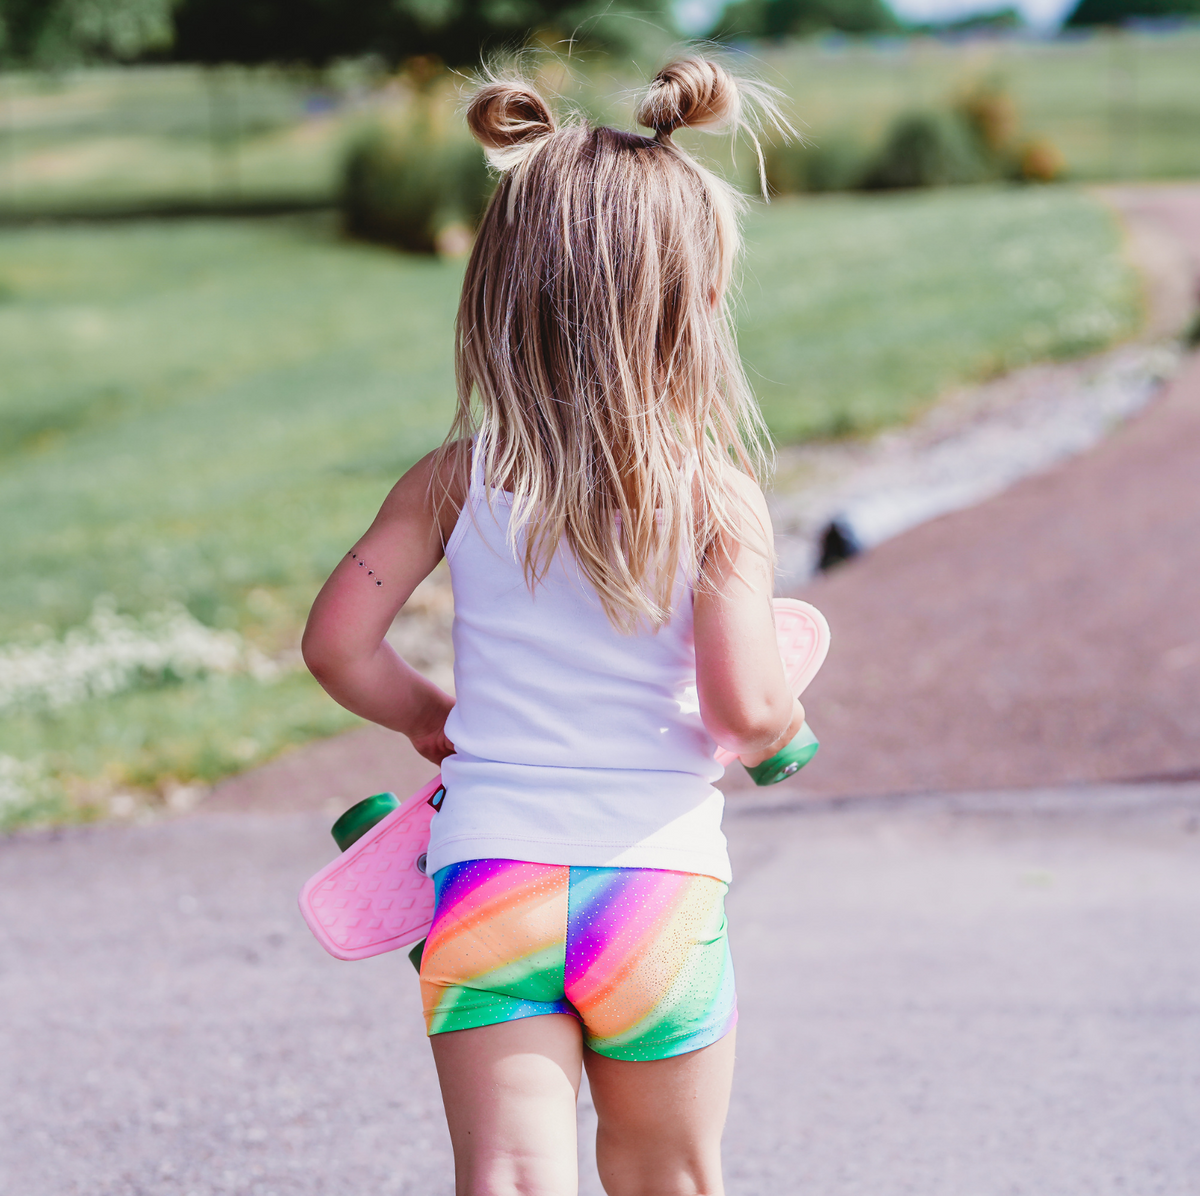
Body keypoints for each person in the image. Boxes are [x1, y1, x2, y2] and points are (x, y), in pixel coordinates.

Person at [302, 57, 804, 1196]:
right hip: (654, 888)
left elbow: (336, 644)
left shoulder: (454, 480)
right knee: (667, 1170)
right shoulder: (715, 495)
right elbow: (745, 705)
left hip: (489, 879)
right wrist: (782, 722)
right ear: (700, 303)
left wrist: (437, 720)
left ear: (500, 295)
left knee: (511, 1174)